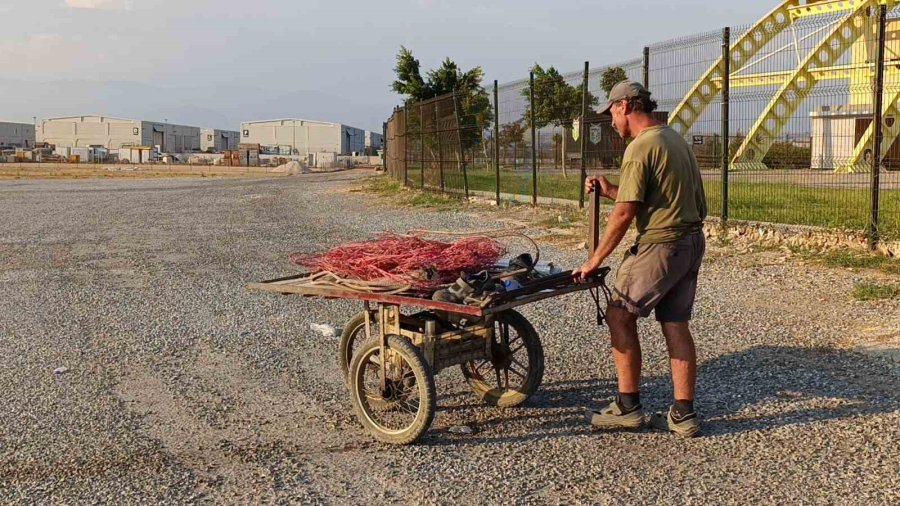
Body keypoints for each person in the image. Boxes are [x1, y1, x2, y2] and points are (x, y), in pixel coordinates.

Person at [573, 80, 707, 437]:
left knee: (618, 315)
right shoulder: (673, 138)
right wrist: (610, 189)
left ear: (625, 107)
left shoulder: (639, 147)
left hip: (662, 245)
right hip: (691, 242)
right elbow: (651, 197)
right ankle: (683, 414)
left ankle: (627, 407)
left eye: (612, 113)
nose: (611, 122)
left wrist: (593, 260)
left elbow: (624, 214)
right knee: (675, 323)